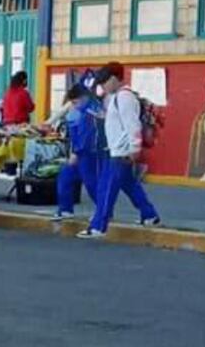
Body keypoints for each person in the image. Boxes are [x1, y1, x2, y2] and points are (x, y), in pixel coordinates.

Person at [80, 62, 160, 239]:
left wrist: (134, 149)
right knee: (130, 185)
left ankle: (99, 227)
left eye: (104, 82)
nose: (103, 86)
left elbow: (132, 124)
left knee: (106, 189)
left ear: (115, 79)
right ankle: (149, 214)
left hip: (121, 152)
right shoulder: (115, 97)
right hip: (117, 150)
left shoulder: (125, 97)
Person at [52, 78, 105, 221]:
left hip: (88, 153)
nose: (73, 106)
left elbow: (86, 135)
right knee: (65, 178)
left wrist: (76, 152)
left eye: (75, 102)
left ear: (84, 97)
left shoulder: (91, 111)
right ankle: (65, 209)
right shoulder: (79, 109)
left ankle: (104, 211)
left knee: (91, 183)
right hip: (79, 152)